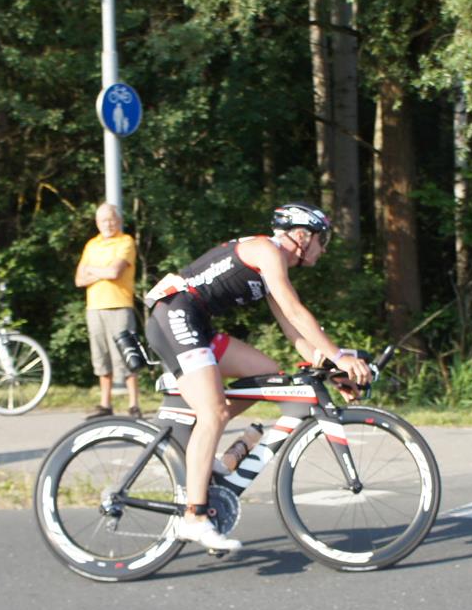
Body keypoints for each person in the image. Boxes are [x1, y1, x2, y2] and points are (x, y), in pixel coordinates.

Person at [141, 202, 371, 553]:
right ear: (301, 236)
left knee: (266, 374)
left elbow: (294, 331)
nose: (323, 249)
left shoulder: (272, 266)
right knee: (214, 412)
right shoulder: (267, 251)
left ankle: (202, 444)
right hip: (175, 314)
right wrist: (340, 355)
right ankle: (194, 517)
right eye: (321, 240)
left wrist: (332, 369)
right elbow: (296, 311)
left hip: (195, 323)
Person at [74, 200, 143, 418]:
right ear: (97, 222)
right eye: (103, 220)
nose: (108, 224)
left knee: (126, 353)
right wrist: (102, 271)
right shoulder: (91, 245)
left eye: (111, 219)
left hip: (119, 305)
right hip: (95, 307)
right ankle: (105, 404)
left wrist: (93, 271)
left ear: (118, 221)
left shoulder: (125, 241)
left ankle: (134, 404)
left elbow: (115, 272)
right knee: (100, 355)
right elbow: (79, 279)